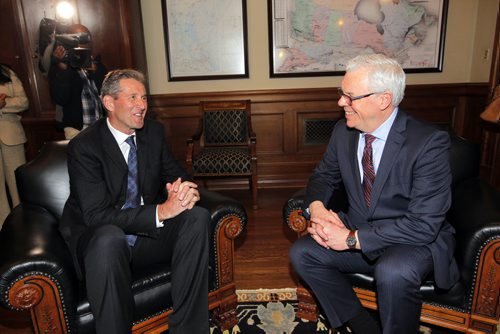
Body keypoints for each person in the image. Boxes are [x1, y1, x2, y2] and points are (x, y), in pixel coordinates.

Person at [289, 54, 459, 334]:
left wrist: (351, 239)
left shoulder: (428, 143)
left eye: (350, 96)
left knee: (393, 272)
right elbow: (323, 176)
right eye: (341, 93)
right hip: (361, 229)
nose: (341, 102)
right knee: (302, 252)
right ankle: (363, 326)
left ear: (383, 100)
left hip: (413, 240)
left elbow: (423, 225)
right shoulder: (343, 132)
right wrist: (317, 209)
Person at [59, 69, 210, 333]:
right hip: (101, 243)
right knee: (109, 238)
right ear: (109, 103)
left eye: (144, 98)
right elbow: (96, 216)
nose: (142, 105)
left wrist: (186, 191)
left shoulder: (153, 133)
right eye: (132, 97)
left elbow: (178, 175)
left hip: (143, 237)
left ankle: (188, 328)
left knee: (196, 217)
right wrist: (162, 211)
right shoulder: (85, 147)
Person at [48, 23, 107, 140]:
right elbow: (61, 98)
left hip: (100, 129)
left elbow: (109, 94)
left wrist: (96, 72)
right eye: (77, 38)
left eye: (86, 38)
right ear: (68, 40)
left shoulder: (96, 64)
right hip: (76, 131)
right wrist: (63, 70)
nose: (83, 42)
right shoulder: (61, 66)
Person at [0, 64, 29, 228]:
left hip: (11, 136)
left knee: (18, 185)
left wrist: (4, 104)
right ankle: (3, 230)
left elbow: (24, 102)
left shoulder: (7, 72)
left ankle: (23, 228)